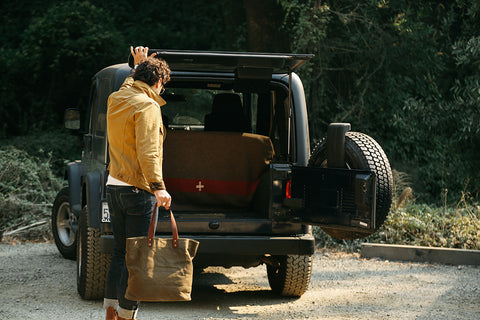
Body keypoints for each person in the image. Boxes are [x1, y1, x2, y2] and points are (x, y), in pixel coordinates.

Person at [104, 46, 172, 320]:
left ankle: (111, 314)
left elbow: (130, 84)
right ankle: (127, 316)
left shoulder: (116, 98)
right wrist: (159, 187)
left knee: (120, 254)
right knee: (138, 259)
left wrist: (139, 66)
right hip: (138, 190)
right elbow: (148, 150)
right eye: (162, 86)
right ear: (158, 83)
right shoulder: (148, 106)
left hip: (114, 186)